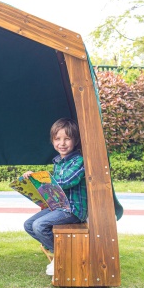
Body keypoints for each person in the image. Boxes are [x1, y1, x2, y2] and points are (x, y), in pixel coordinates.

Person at [23, 118, 87, 276]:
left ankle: (61, 257)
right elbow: (53, 188)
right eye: (57, 139)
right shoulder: (58, 162)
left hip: (73, 209)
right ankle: (59, 253)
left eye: (67, 138)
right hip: (59, 206)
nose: (62, 143)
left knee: (40, 226)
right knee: (29, 224)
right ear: (52, 141)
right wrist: (32, 181)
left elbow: (65, 181)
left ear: (76, 140)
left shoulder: (79, 160)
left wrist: (41, 180)